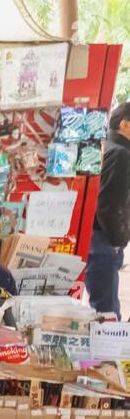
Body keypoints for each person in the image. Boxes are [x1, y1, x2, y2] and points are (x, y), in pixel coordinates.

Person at [88, 102, 130, 317]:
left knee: (102, 306)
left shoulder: (108, 147)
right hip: (104, 239)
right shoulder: (121, 153)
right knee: (106, 311)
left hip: (99, 237)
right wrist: (119, 239)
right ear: (125, 125)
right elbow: (108, 205)